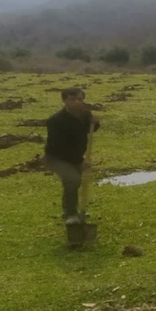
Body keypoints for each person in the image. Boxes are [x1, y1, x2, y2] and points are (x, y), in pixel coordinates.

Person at [44, 88, 100, 225]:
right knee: (72, 179)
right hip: (56, 158)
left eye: (80, 99)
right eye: (72, 99)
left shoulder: (84, 114)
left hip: (75, 156)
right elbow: (57, 147)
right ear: (64, 101)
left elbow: (89, 128)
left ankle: (73, 210)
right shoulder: (56, 121)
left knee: (74, 183)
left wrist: (95, 123)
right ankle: (70, 215)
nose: (77, 102)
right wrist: (80, 161)